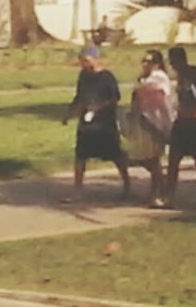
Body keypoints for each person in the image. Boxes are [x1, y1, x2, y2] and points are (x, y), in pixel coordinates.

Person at [61, 45, 130, 202]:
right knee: (80, 155)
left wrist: (98, 107)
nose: (83, 64)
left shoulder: (107, 77)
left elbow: (115, 98)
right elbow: (79, 96)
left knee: (115, 155)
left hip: (104, 123)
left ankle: (127, 184)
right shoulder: (83, 76)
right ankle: (77, 190)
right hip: (86, 122)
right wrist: (70, 113)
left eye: (86, 60)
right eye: (81, 61)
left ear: (95, 59)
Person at [165, 46, 196, 208]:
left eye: (173, 60)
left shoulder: (194, 75)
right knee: (173, 160)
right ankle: (170, 197)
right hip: (181, 122)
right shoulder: (179, 77)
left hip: (195, 122)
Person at [127, 49, 175, 207]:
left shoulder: (159, 78)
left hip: (157, 121)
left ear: (157, 64)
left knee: (154, 159)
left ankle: (156, 193)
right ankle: (162, 184)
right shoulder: (144, 78)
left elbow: (158, 96)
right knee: (144, 158)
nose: (145, 64)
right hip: (143, 120)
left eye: (149, 61)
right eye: (144, 60)